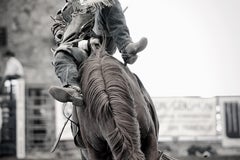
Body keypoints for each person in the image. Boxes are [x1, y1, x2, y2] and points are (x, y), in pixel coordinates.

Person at [48, 0, 148, 106]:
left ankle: (126, 47)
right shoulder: (64, 13)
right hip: (80, 48)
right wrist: (60, 33)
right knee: (61, 55)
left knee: (108, 2)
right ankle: (72, 89)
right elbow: (58, 30)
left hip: (104, 41)